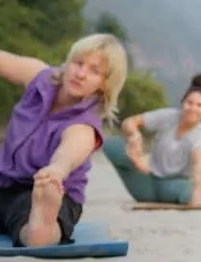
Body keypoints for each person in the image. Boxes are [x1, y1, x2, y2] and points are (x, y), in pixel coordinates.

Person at [0, 34, 128, 246]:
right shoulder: (39, 77)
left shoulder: (84, 125)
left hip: (47, 192)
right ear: (69, 61)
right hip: (4, 184)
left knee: (25, 217)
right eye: (79, 63)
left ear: (105, 85)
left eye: (94, 71)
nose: (81, 74)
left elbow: (69, 153)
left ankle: (41, 227)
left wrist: (55, 172)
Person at [105, 74, 201, 205]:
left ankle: (180, 198)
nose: (193, 108)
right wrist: (135, 137)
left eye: (199, 105)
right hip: (148, 180)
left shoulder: (200, 135)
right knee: (112, 145)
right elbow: (129, 122)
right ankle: (150, 194)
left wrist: (198, 191)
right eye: (190, 103)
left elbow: (199, 163)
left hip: (173, 186)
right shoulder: (169, 116)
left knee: (187, 191)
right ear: (183, 103)